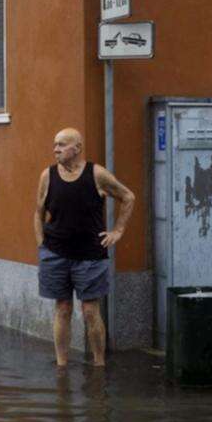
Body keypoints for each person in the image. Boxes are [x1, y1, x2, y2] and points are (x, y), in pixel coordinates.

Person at [34, 127, 135, 367]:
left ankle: (99, 363)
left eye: (61, 144)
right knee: (62, 308)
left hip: (90, 254)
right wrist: (41, 243)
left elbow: (128, 197)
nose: (55, 149)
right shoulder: (47, 176)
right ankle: (62, 364)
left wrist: (118, 231)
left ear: (77, 148)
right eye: (54, 144)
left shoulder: (96, 174)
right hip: (55, 252)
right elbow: (38, 212)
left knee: (90, 310)